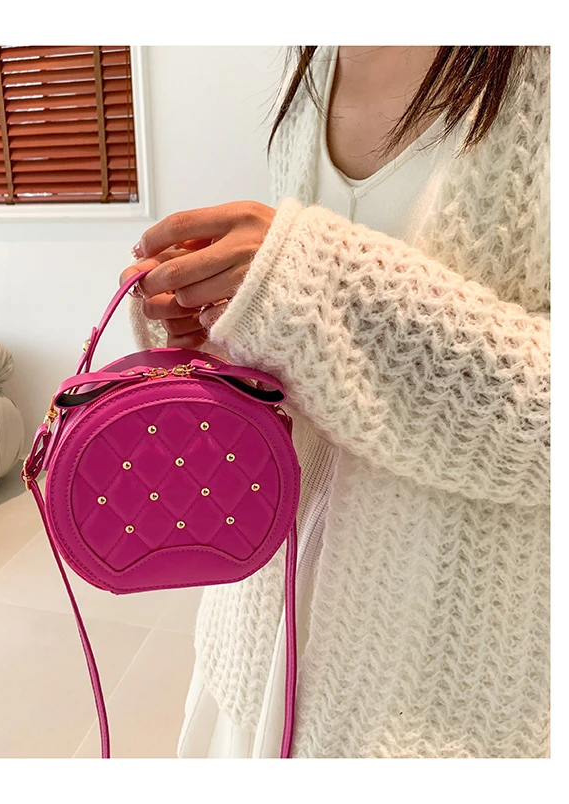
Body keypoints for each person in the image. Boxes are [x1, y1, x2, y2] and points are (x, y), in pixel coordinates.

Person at [121, 46, 550, 758]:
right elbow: (320, 362)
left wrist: (309, 278)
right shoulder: (312, 76)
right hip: (258, 628)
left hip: (448, 683)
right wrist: (224, 324)